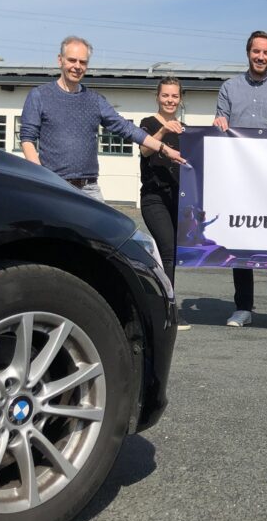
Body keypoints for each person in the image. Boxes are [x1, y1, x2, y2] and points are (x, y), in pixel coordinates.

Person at [21, 36, 185, 202]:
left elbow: (126, 128)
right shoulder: (39, 95)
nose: (77, 66)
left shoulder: (95, 100)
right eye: (72, 60)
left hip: (89, 188)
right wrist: (42, 177)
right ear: (60, 60)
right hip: (54, 185)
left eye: (83, 62)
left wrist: (165, 149)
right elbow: (27, 138)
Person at [213, 30, 267, 329]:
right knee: (241, 242)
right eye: (256, 52)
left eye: (266, 53)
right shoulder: (229, 87)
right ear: (248, 53)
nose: (260, 57)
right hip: (238, 179)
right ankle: (243, 307)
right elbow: (219, 121)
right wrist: (219, 122)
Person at [139, 76, 191, 330]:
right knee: (168, 251)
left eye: (174, 96)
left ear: (180, 99)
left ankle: (158, 303)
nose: (170, 100)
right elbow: (145, 151)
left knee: (170, 255)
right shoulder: (147, 124)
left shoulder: (186, 130)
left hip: (177, 199)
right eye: (165, 96)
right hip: (154, 198)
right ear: (157, 97)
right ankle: (168, 310)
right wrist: (163, 131)